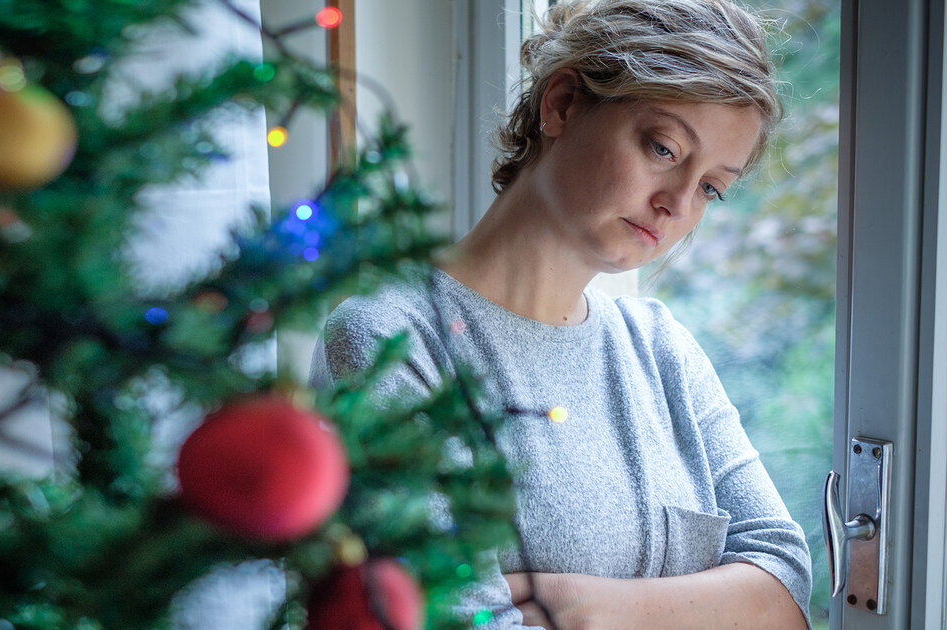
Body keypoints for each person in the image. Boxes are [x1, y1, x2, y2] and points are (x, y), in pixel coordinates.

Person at [308, 0, 813, 628]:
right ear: (563, 104)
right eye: (663, 148)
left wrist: (586, 609)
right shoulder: (390, 341)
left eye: (711, 187)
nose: (679, 203)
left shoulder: (662, 349)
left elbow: (786, 585)